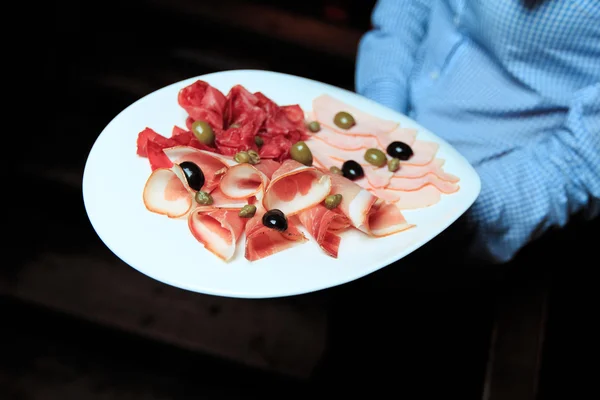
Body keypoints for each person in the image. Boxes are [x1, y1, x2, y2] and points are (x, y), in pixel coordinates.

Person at [355, 0, 600, 264]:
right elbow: (407, 8)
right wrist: (381, 116)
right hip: (370, 140)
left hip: (477, 222)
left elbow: (581, 162)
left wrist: (460, 210)